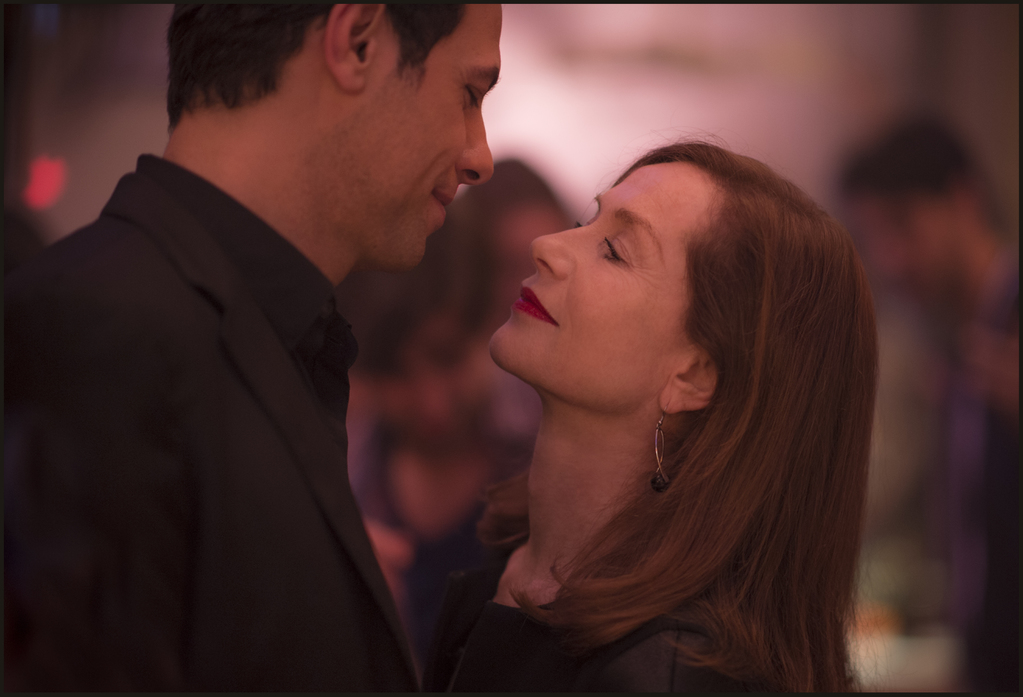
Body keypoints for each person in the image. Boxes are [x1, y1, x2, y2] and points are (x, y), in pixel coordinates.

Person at [4, 4, 501, 691]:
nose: (480, 156)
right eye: (469, 94)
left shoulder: (270, 329)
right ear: (357, 42)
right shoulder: (94, 331)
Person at [423, 140, 879, 692]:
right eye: (585, 222)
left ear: (693, 375)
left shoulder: (670, 670)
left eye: (614, 250)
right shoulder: (512, 563)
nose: (547, 246)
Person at [343, 159, 570, 666]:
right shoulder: (340, 468)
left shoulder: (550, 452)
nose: (432, 402)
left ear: (487, 320)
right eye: (395, 375)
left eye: (447, 358)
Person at [840, 118, 1018, 692]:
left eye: (903, 224)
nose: (891, 259)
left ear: (963, 198)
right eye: (874, 238)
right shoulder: (958, 338)